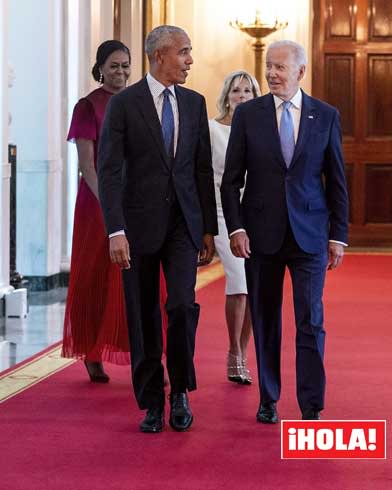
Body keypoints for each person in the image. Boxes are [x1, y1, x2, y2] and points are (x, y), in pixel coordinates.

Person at [221, 40, 348, 424]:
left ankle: (311, 405)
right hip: (262, 235)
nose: (272, 74)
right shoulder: (249, 115)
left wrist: (337, 235)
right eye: (269, 68)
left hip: (310, 234)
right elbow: (231, 181)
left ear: (301, 72)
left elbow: (336, 180)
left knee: (310, 320)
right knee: (265, 318)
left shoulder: (325, 115)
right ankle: (268, 398)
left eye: (280, 68)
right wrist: (236, 228)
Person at [98, 25, 217, 433]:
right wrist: (115, 229)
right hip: (137, 227)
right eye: (183, 52)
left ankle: (180, 390)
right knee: (143, 313)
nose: (189, 60)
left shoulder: (195, 103)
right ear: (159, 55)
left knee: (183, 306)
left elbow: (202, 168)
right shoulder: (125, 105)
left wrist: (208, 229)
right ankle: (151, 401)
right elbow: (109, 171)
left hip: (184, 224)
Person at [62, 40, 133, 381]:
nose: (120, 72)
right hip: (97, 204)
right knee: (96, 274)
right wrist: (109, 204)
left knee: (135, 277)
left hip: (136, 202)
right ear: (101, 68)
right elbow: (87, 164)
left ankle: (143, 350)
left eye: (125, 65)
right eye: (115, 65)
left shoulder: (138, 102)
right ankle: (91, 351)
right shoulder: (87, 106)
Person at [209, 70, 260, 385]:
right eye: (236, 91)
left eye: (248, 91)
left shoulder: (261, 130)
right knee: (239, 283)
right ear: (226, 96)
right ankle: (233, 352)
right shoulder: (212, 129)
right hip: (220, 213)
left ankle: (243, 352)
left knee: (254, 287)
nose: (242, 96)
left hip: (254, 214)